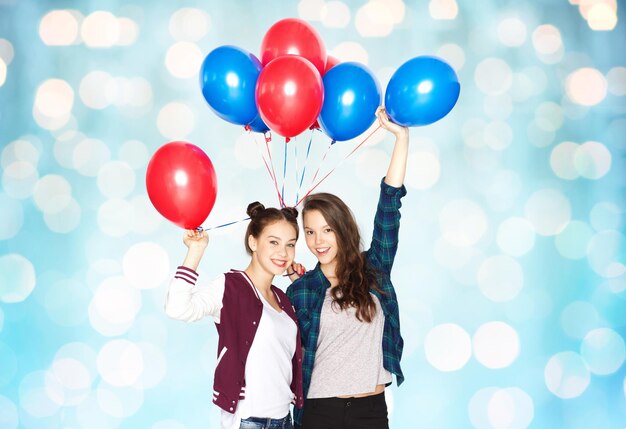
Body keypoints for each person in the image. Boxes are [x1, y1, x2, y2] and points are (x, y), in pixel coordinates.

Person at [286, 106, 409, 429]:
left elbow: (389, 207)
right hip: (319, 412)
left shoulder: (374, 270)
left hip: (370, 409)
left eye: (327, 230)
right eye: (310, 232)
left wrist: (400, 138)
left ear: (342, 230)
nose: (318, 241)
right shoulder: (300, 290)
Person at [165, 203, 304, 429]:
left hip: (285, 420)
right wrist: (195, 252)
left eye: (290, 245)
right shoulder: (230, 287)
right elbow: (177, 308)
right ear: (253, 242)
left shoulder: (283, 300)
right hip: (249, 421)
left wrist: (300, 284)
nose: (283, 253)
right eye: (273, 242)